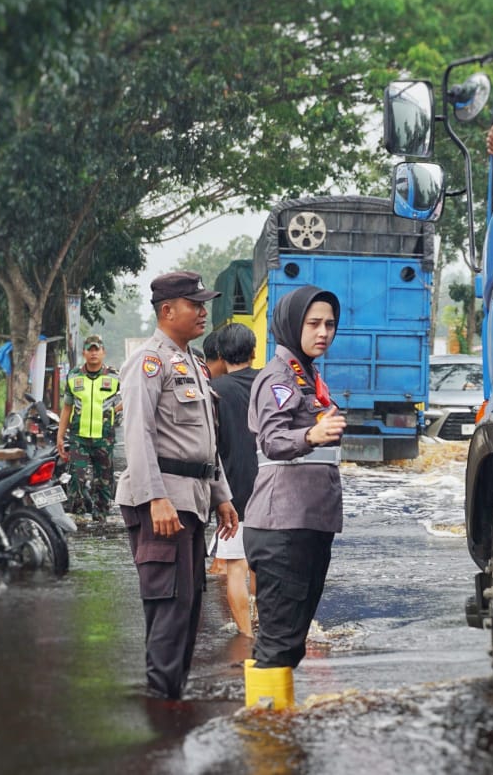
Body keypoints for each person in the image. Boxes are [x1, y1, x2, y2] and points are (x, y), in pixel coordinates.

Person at [115, 270, 239, 700]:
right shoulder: (148, 361)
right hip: (163, 503)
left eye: (204, 303)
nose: (204, 312)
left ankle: (174, 703)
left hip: (192, 500)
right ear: (168, 311)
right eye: (195, 304)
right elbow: (138, 435)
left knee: (188, 608)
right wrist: (155, 499)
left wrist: (222, 496)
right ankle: (162, 711)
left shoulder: (193, 363)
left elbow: (205, 438)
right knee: (169, 609)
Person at [242, 286, 346, 710]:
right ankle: (267, 743)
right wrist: (310, 433)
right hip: (281, 526)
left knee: (290, 640)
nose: (323, 332)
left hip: (306, 522)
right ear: (291, 325)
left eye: (330, 324)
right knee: (277, 639)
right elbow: (272, 438)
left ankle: (276, 728)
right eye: (314, 324)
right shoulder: (279, 377)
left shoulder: (307, 376)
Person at [209, 323, 260, 638]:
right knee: (262, 567)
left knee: (236, 569)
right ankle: (264, 626)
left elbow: (208, 445)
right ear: (254, 352)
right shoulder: (269, 384)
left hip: (231, 493)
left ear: (221, 354)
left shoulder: (214, 390)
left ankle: (246, 636)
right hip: (272, 490)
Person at [56, 334, 120, 521]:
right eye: (90, 350)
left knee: (103, 480)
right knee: (77, 477)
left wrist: (112, 411)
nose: (93, 353)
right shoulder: (74, 375)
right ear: (84, 353)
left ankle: (101, 518)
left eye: (97, 350)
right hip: (79, 438)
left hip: (104, 437)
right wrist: (60, 436)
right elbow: (67, 408)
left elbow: (130, 396)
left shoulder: (114, 375)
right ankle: (78, 518)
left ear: (103, 352)